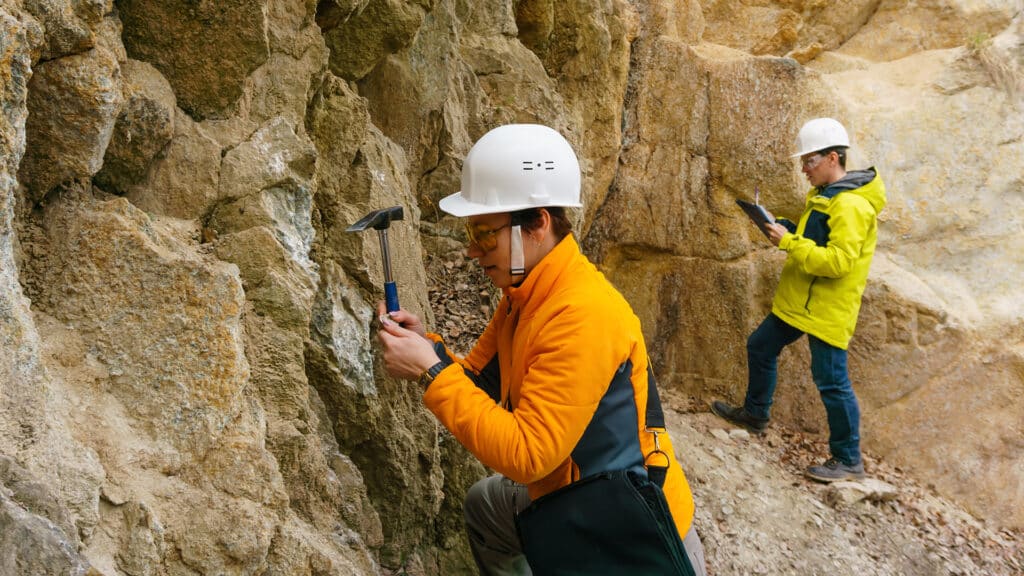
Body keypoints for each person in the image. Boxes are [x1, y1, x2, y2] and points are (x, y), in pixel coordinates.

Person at [376, 124, 706, 575]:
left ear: (538, 224)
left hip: (631, 531)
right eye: (473, 232)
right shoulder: (526, 296)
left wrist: (432, 373)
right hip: (575, 497)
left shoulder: (582, 314)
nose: (474, 250)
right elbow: (478, 383)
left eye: (485, 233)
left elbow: (529, 456)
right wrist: (428, 350)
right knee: (486, 507)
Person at [712, 117, 887, 483]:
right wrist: (787, 228)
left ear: (833, 158)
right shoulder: (826, 196)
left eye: (809, 160)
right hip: (800, 304)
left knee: (831, 381)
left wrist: (788, 242)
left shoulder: (851, 206)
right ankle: (756, 414)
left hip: (825, 309)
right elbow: (819, 240)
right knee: (761, 347)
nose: (803, 168)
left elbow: (838, 262)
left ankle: (848, 459)